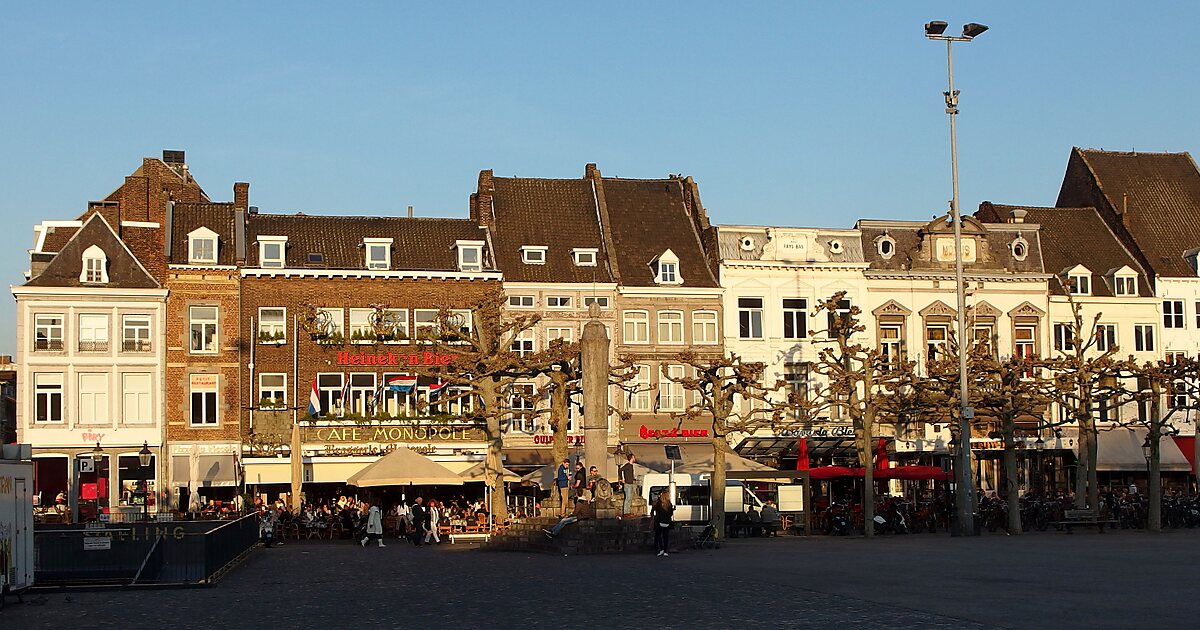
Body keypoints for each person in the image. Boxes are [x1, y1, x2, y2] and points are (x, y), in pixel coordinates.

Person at [651, 492, 675, 557]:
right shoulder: (669, 504)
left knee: (658, 536)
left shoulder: (659, 504)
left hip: (660, 522)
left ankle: (661, 549)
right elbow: (671, 513)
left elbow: (655, 511)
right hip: (667, 522)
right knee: (665, 537)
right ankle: (665, 551)